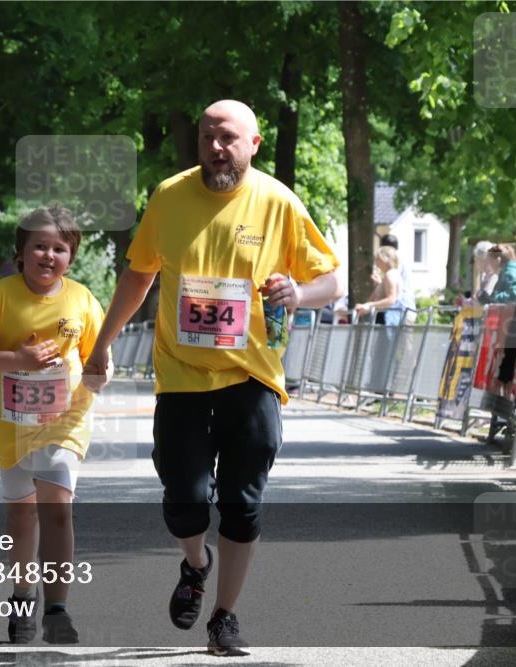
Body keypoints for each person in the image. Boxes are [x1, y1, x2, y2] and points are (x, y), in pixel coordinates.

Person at [82, 100, 343, 656]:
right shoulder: (170, 196)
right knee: (184, 498)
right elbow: (138, 275)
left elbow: (331, 282)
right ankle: (195, 563)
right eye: (206, 138)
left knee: (242, 504)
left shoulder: (278, 202)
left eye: (227, 137)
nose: (215, 148)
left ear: (253, 142)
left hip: (253, 376)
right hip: (181, 375)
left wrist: (299, 293)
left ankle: (224, 617)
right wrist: (102, 344)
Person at [0, 206, 108, 645]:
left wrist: (102, 372)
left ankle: (58, 609)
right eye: (39, 246)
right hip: (11, 423)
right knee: (22, 518)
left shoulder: (81, 299)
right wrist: (16, 360)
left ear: (71, 257)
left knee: (57, 511)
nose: (49, 255)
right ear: (20, 253)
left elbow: (99, 358)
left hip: (65, 420)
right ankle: (23, 597)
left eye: (60, 248)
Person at [355, 246, 410, 326]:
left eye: (377, 258)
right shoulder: (393, 274)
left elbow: (391, 300)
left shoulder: (390, 275)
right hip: (387, 319)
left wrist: (369, 305)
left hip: (386, 321)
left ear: (384, 259)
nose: (375, 262)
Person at [376, 234, 416, 315]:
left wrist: (379, 283)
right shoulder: (403, 260)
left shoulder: (394, 264)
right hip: (409, 304)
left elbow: (393, 288)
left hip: (399, 308)